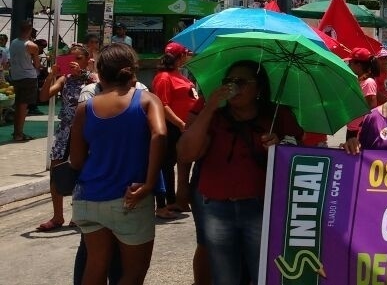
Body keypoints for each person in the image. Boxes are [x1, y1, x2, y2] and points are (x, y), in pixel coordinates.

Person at [178, 60, 304, 285]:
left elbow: (298, 159)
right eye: (228, 81)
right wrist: (209, 106)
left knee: (262, 274)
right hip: (216, 207)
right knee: (224, 276)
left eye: (241, 82)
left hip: (260, 207)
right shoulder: (215, 116)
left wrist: (279, 146)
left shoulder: (278, 116)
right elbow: (187, 152)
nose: (233, 87)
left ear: (259, 88)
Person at [69, 43, 167, 285]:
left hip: (88, 198)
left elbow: (77, 160)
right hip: (129, 198)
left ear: (100, 73)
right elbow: (161, 134)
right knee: (132, 274)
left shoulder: (85, 108)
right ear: (133, 71)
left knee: (95, 266)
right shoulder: (147, 100)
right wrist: (149, 183)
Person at [37, 44, 98, 232]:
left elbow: (100, 87)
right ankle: (57, 216)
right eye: (70, 58)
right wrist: (51, 75)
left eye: (78, 58)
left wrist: (85, 73)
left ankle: (78, 215)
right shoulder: (65, 79)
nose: (73, 62)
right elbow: (44, 96)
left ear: (87, 61)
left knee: (83, 173)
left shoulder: (93, 79)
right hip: (64, 131)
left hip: (85, 132)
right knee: (56, 171)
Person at [151, 41, 199, 219]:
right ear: (180, 57)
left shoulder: (179, 74)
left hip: (183, 127)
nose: (188, 56)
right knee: (166, 165)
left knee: (176, 164)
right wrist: (180, 123)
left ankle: (178, 200)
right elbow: (162, 105)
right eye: (186, 54)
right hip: (172, 126)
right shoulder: (164, 77)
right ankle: (165, 202)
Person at [9, 21, 41, 142]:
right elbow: (37, 64)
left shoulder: (13, 42)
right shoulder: (32, 46)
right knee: (23, 107)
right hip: (28, 77)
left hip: (16, 76)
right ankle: (19, 134)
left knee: (18, 105)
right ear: (30, 30)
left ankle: (16, 131)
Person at [345, 48, 380, 140]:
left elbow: (371, 108)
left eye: (351, 63)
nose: (348, 65)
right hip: (352, 128)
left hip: (359, 130)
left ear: (358, 65)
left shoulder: (368, 82)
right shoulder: (359, 81)